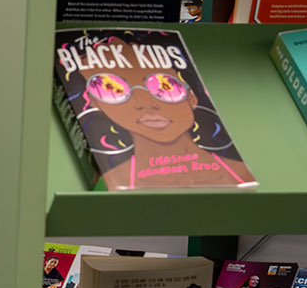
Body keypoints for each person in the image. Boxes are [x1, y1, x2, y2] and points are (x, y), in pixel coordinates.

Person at [77, 36, 256, 190]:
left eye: (163, 86)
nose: (147, 104)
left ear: (191, 97)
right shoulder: (114, 180)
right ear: (97, 104)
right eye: (115, 91)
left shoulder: (239, 173)